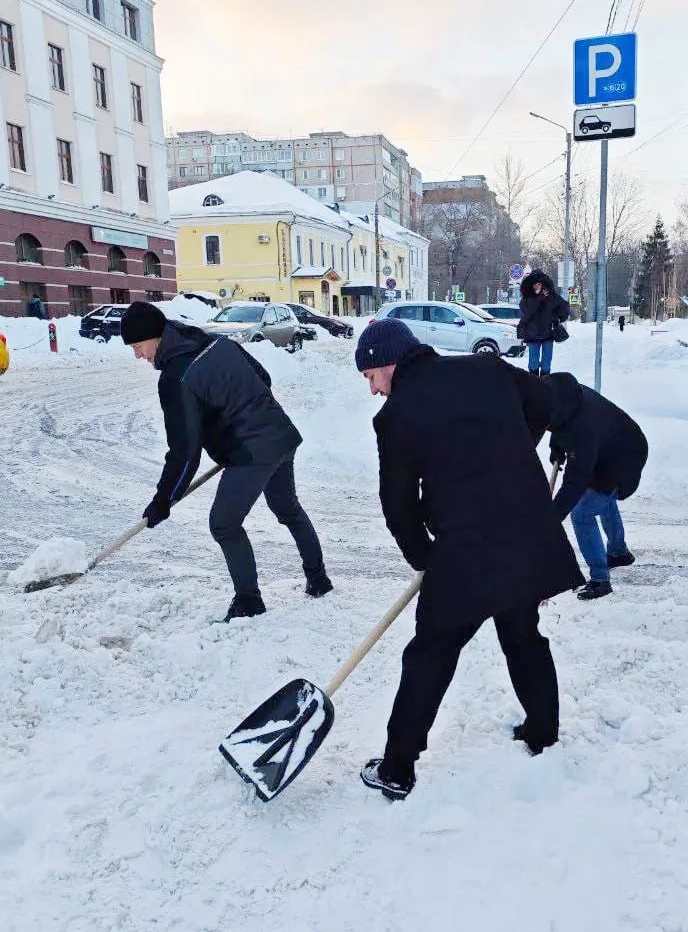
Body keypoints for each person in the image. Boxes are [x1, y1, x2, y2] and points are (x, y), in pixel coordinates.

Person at [355, 318, 584, 801]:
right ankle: (543, 731)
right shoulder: (487, 369)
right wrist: (513, 448)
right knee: (522, 636)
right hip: (526, 530)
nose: (373, 390)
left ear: (388, 362)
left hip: (465, 550)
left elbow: (397, 504)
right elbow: (545, 404)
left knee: (430, 653)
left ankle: (397, 768)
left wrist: (423, 556)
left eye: (371, 377)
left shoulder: (396, 417)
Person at [119, 300, 332, 619]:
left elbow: (184, 453)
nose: (138, 355)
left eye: (138, 346)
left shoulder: (176, 378)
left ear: (156, 336)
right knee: (287, 508)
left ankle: (249, 600)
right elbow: (263, 377)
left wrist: (164, 499)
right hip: (279, 432)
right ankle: (318, 579)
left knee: (224, 523)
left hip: (251, 452)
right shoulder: (214, 342)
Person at [543, 372, 648, 601]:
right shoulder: (567, 397)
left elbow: (574, 483)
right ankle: (619, 553)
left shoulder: (584, 428)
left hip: (623, 460)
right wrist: (557, 446)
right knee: (601, 498)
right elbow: (559, 423)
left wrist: (551, 518)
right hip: (612, 447)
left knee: (582, 512)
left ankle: (600, 580)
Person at [517, 270, 570, 375]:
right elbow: (527, 312)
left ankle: (545, 381)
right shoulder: (527, 298)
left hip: (548, 334)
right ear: (531, 285)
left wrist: (558, 318)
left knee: (546, 364)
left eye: (540, 284)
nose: (538, 286)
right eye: (535, 284)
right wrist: (539, 297)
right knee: (533, 364)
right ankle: (533, 381)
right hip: (532, 335)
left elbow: (565, 309)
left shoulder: (553, 297)